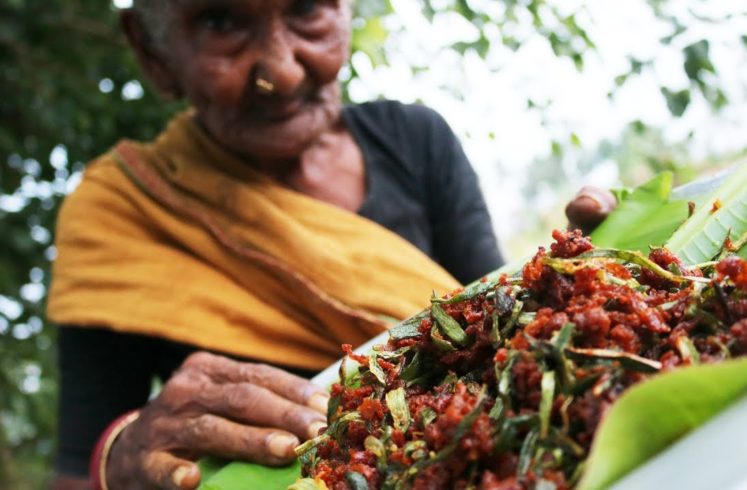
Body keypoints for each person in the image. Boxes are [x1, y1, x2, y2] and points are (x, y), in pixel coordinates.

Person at [48, 2, 613, 489]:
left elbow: (505, 332)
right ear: (152, 52)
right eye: (221, 21)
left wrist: (587, 281)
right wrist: (124, 456)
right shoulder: (125, 215)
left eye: (307, 8)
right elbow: (79, 471)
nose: (283, 72)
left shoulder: (415, 140)